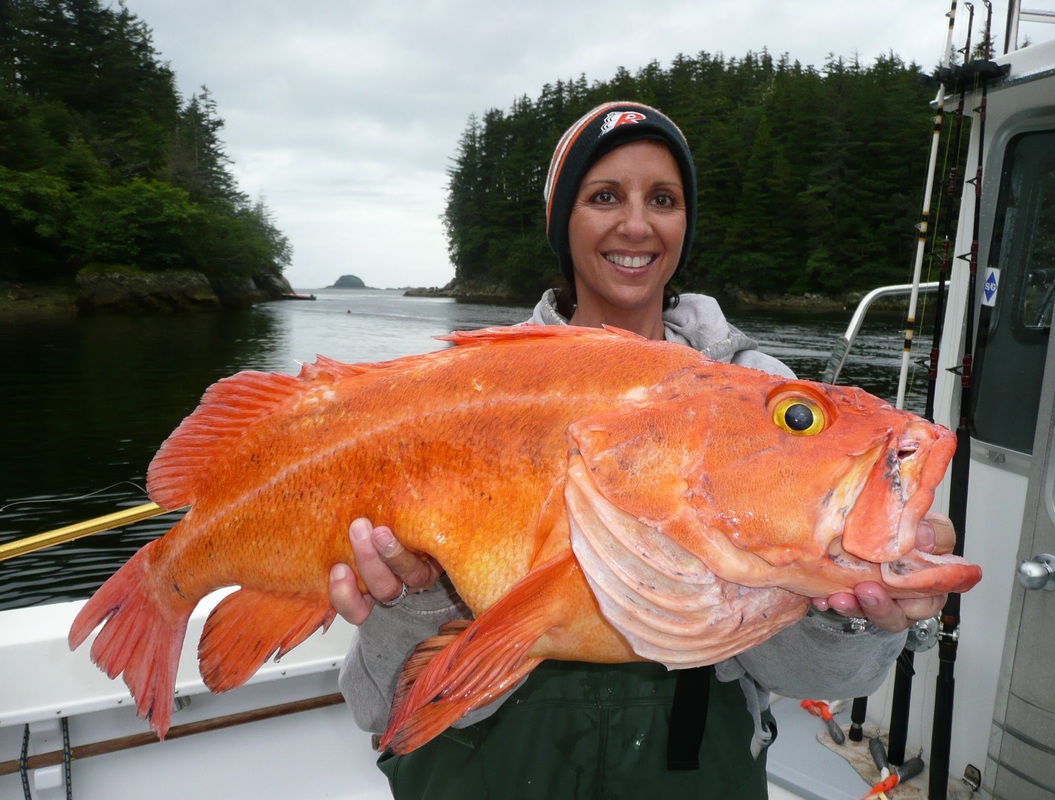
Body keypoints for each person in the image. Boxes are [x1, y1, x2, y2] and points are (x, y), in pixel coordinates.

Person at [328, 101, 954, 799]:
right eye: (603, 197)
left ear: (686, 222)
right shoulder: (466, 394)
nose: (636, 224)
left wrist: (858, 618)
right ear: (562, 224)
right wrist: (420, 594)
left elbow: (823, 680)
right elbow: (383, 709)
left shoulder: (762, 393)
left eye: (664, 199)